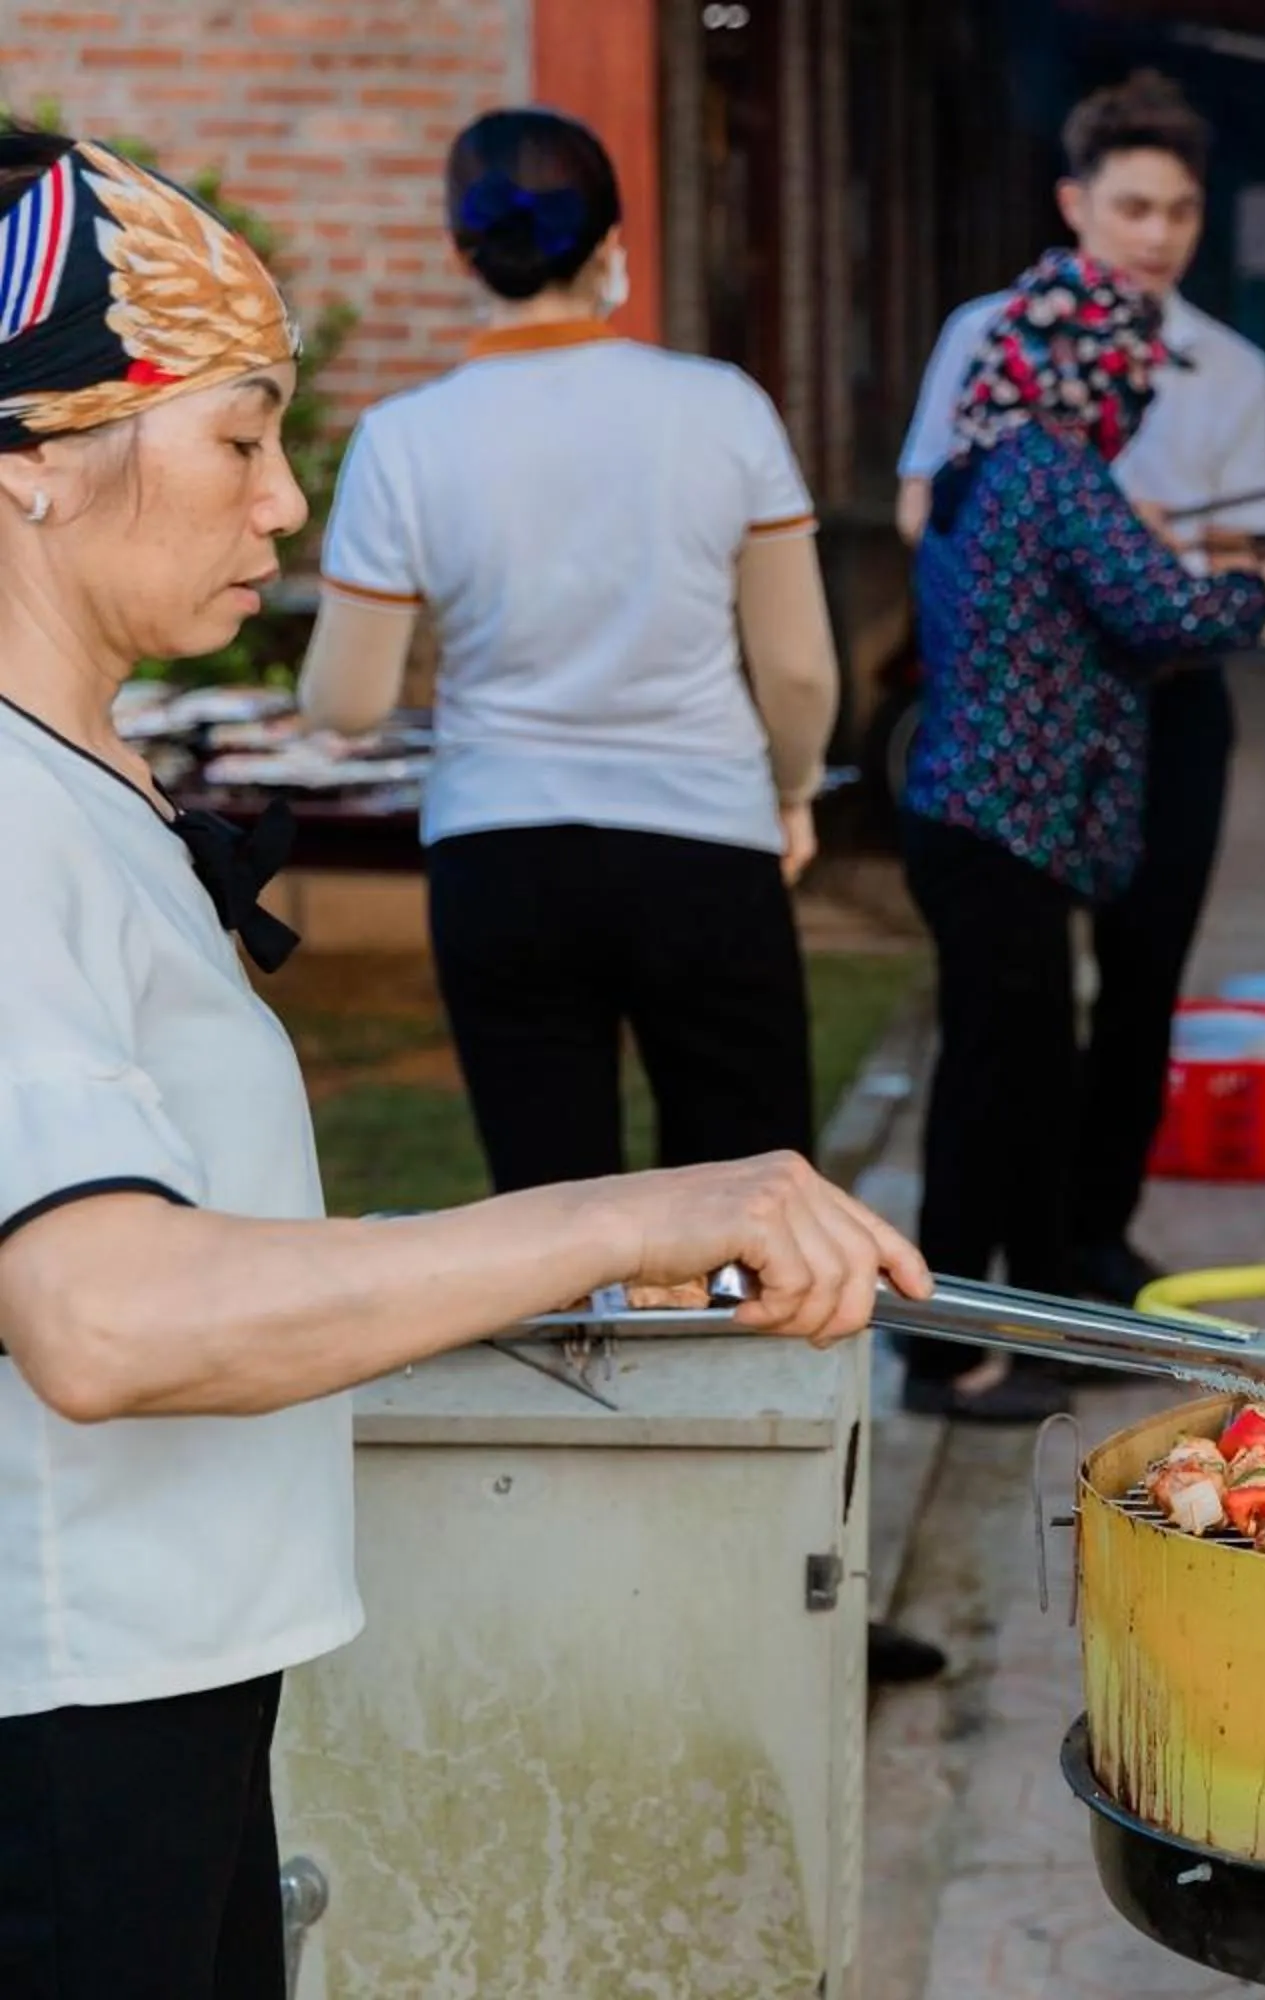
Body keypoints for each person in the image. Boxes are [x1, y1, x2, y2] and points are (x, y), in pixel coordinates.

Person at [0, 129, 924, 1999]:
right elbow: (103, 1315)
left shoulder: (75, 782)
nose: (283, 509)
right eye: (240, 441)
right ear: (34, 460)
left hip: (148, 1680)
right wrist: (625, 1209)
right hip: (62, 1718)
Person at [297, 110, 951, 1688]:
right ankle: (797, 1600)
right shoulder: (715, 405)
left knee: (550, 1223)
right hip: (702, 848)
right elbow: (798, 668)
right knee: (769, 1236)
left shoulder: (405, 436)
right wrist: (793, 788)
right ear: (616, 250)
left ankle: (582, 1608)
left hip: (500, 856)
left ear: (462, 254)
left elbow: (345, 695)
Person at [896, 248, 1265, 1423]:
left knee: (1022, 1084)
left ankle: (1033, 1321)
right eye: (1128, 376)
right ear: (1086, 368)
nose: (1136, 400)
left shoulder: (977, 463)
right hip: (1002, 829)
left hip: (977, 823)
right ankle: (944, 1356)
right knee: (993, 1090)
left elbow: (1088, 589)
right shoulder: (1050, 469)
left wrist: (1133, 534)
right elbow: (1165, 609)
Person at [896, 73, 1265, 1309]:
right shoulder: (1001, 337)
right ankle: (1011, 1275)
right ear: (1076, 204)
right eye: (1132, 205)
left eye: (1180, 209)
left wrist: (1142, 547)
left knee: (1140, 978)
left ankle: (1084, 1245)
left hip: (1162, 699)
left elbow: (1242, 555)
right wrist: (1105, 532)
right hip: (1038, 713)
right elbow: (926, 504)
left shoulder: (1230, 364)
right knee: (1016, 1019)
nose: (1157, 233)